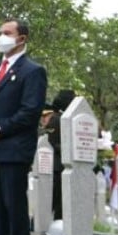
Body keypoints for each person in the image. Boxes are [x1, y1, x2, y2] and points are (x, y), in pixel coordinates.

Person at [0, 18, 47, 235]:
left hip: (13, 148)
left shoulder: (33, 71)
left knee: (14, 205)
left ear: (22, 38)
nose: (2, 37)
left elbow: (30, 111)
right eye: (1, 32)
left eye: (8, 33)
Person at [41, 89, 74, 221]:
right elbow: (52, 142)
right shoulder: (56, 119)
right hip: (56, 166)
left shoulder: (66, 118)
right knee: (54, 199)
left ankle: (59, 222)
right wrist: (69, 150)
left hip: (64, 165)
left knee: (62, 202)